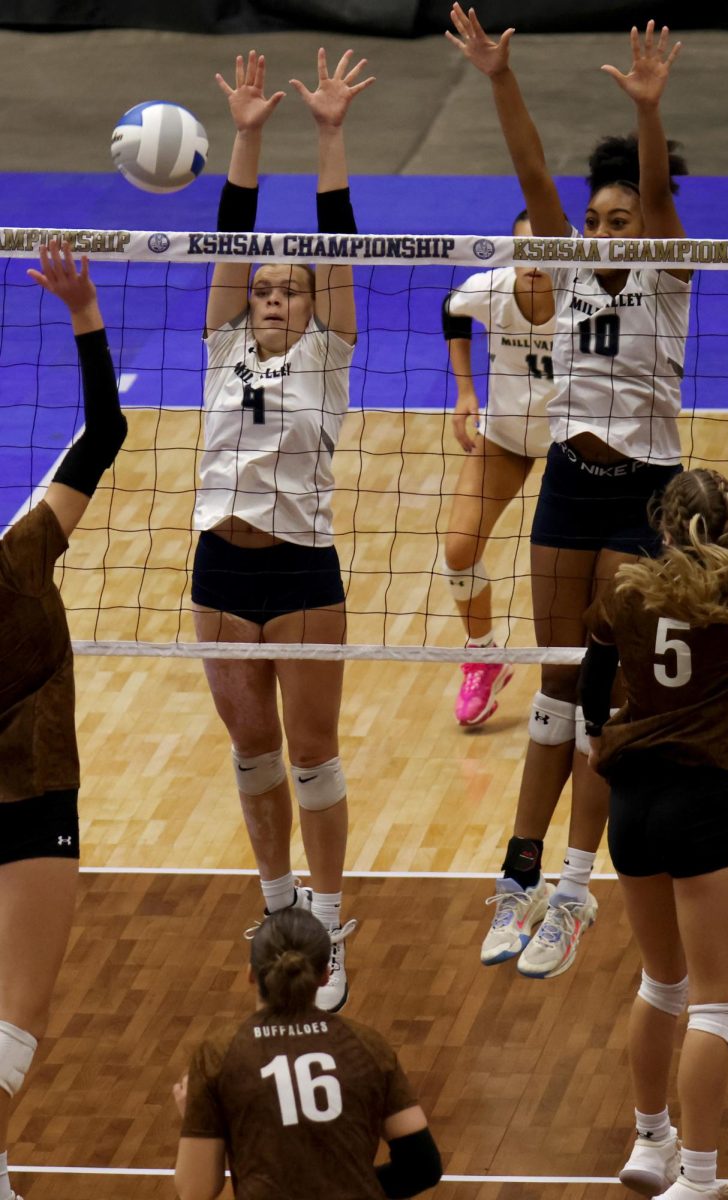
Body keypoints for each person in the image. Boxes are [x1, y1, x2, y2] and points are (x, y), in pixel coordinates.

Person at [447, 7, 692, 978]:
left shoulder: (668, 269)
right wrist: (497, 81)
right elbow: (531, 178)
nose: (597, 230)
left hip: (642, 496)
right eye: (592, 219)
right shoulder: (568, 263)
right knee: (553, 680)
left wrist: (645, 109)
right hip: (566, 485)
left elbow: (657, 197)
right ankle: (516, 876)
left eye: (615, 218)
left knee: (606, 695)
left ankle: (574, 891)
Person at [579, 374, 728, 1199]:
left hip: (631, 806)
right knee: (716, 1005)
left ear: (660, 528)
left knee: (659, 984)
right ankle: (699, 1182)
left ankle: (649, 1144)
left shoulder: (624, 595)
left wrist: (615, 744)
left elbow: (591, 703)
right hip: (703, 806)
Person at [191, 49, 373, 1014]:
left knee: (313, 754)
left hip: (303, 571)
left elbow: (337, 243)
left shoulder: (329, 359)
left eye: (289, 288)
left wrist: (328, 132)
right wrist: (247, 134)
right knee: (252, 749)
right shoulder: (221, 347)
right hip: (219, 569)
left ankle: (330, 918)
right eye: (262, 286)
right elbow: (231, 234)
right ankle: (275, 908)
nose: (272, 294)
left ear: (311, 306)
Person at [0, 240, 127, 1200]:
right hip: (35, 799)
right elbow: (104, 431)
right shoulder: (22, 556)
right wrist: (84, 314)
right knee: (19, 1010)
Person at [172, 906, 443, 1200]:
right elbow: (422, 1166)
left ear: (250, 973)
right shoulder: (367, 1044)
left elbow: (195, 1191)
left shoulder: (218, 1055)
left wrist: (198, 1119)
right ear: (326, 975)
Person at [442, 212, 557, 727]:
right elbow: (451, 310)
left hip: (572, 443)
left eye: (544, 248)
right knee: (459, 550)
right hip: (505, 436)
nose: (532, 260)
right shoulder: (489, 289)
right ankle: (484, 655)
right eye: (522, 249)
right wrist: (466, 391)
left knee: (567, 571)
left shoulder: (585, 294)